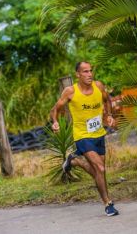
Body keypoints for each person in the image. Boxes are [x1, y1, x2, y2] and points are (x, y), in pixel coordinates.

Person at [50, 61, 119, 216]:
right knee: (100, 169)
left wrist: (108, 115)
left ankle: (75, 161)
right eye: (85, 72)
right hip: (82, 136)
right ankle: (108, 203)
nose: (89, 74)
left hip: (99, 134)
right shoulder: (70, 91)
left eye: (91, 71)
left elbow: (107, 100)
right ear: (78, 74)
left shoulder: (98, 86)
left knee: (100, 172)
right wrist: (55, 122)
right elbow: (55, 109)